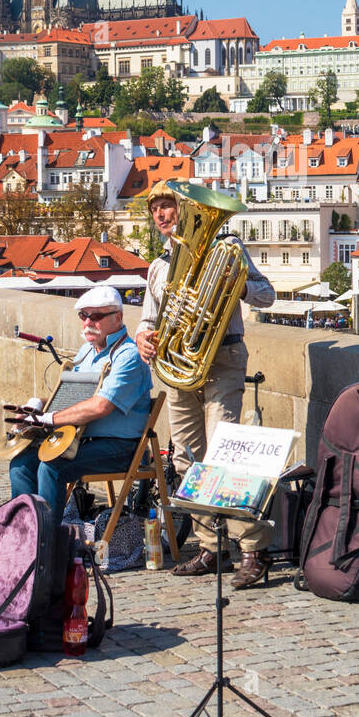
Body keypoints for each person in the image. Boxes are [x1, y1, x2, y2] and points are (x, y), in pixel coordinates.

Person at [136, 181, 277, 588]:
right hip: (180, 365)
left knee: (228, 455)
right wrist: (145, 335)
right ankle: (210, 547)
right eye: (156, 210)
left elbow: (266, 295)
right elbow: (150, 318)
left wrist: (239, 286)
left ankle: (252, 549)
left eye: (168, 206)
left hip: (223, 359)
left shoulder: (225, 248)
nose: (162, 215)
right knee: (187, 458)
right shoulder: (159, 266)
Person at [9, 285, 151, 525]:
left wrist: (51, 419)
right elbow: (69, 398)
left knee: (51, 467)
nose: (87, 322)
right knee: (21, 463)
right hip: (79, 439)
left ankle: (48, 542)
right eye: (83, 316)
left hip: (121, 447)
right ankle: (24, 533)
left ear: (118, 317)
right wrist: (38, 407)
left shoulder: (129, 355)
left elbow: (100, 406)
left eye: (96, 316)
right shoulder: (86, 350)